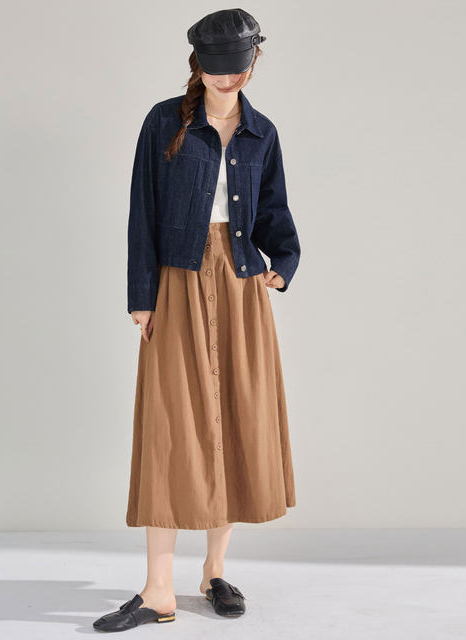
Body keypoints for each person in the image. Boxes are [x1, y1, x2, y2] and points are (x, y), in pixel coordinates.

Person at [93, 8, 301, 632]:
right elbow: (142, 209)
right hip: (177, 281)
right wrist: (142, 295)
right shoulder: (165, 121)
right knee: (171, 426)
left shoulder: (262, 133)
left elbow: (274, 211)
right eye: (216, 68)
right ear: (198, 65)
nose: (227, 79)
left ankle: (213, 573)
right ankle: (158, 589)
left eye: (237, 68)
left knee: (233, 416)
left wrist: (283, 264)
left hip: (240, 284)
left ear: (253, 63)